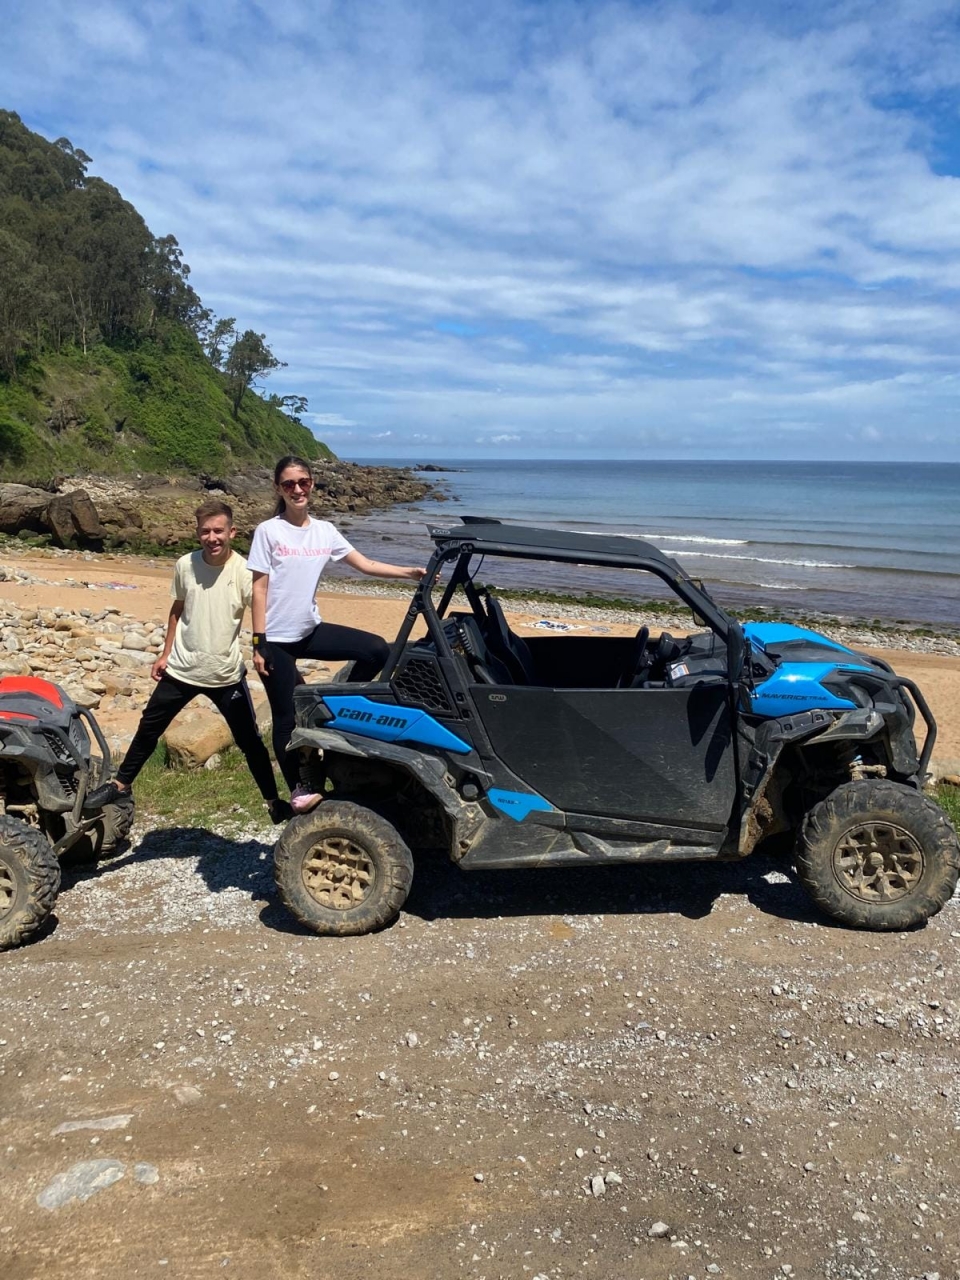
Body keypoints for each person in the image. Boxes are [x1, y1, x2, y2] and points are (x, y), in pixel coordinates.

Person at [84, 499, 291, 824]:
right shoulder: (185, 565)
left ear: (232, 532)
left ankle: (273, 801)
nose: (213, 538)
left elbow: (261, 611)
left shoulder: (245, 571)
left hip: (225, 676)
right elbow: (177, 609)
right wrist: (165, 653)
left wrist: (260, 646)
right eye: (206, 531)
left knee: (250, 742)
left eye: (219, 531)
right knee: (148, 729)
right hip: (181, 669)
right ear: (198, 533)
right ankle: (120, 784)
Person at [248, 455, 426, 813]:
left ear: (312, 484)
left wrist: (410, 572)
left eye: (303, 482)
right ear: (278, 489)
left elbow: (365, 564)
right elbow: (258, 590)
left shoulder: (325, 531)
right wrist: (259, 643)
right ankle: (298, 786)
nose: (297, 489)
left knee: (376, 650)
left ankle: (333, 707)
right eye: (289, 484)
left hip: (309, 630)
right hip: (277, 641)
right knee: (285, 718)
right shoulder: (269, 531)